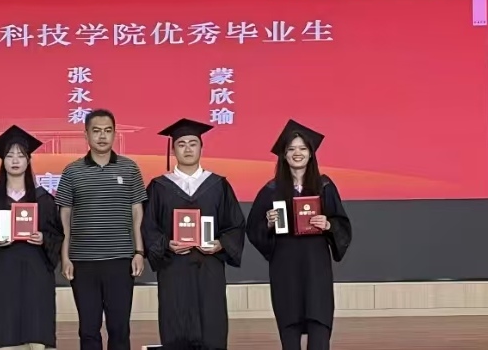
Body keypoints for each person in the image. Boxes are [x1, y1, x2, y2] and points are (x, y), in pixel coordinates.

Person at [246, 120, 352, 350]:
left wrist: (328, 224)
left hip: (316, 265)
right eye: (291, 149)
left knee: (319, 322)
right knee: (289, 322)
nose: (297, 153)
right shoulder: (271, 190)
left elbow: (342, 224)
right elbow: (253, 228)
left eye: (303, 148)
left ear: (311, 154)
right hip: (285, 265)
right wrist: (268, 223)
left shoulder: (324, 186)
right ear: (284, 155)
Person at [141, 118, 246, 350]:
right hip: (174, 269)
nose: (187, 149)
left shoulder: (218, 185)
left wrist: (220, 244)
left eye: (193, 143)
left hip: (209, 268)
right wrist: (166, 244)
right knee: (175, 325)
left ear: (201, 147)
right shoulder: (159, 187)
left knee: (212, 327)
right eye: (181, 144)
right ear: (173, 149)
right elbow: (148, 227)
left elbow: (235, 225)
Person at [55, 108, 147, 350]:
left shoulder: (130, 168)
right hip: (83, 262)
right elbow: (64, 217)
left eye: (108, 131)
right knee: (88, 329)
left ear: (114, 133)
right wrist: (65, 257)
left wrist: (139, 252)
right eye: (96, 131)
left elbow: (137, 212)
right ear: (86, 134)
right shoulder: (72, 171)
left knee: (119, 328)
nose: (102, 136)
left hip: (120, 259)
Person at [0, 125, 64, 350]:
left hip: (36, 277)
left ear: (29, 161)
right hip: (3, 278)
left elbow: (57, 236)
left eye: (21, 155)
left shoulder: (43, 199)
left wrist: (43, 238)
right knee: (5, 335)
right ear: (2, 161)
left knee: (37, 336)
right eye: (10, 155)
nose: (15, 160)